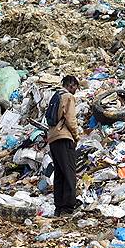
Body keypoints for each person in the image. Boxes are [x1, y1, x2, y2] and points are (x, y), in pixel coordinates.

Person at [47, 75, 81, 216]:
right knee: (69, 173)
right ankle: (68, 207)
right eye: (75, 88)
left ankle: (58, 207)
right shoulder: (68, 97)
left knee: (60, 173)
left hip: (53, 138)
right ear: (71, 85)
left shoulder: (56, 95)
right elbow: (70, 119)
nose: (75, 91)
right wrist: (76, 136)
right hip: (64, 137)